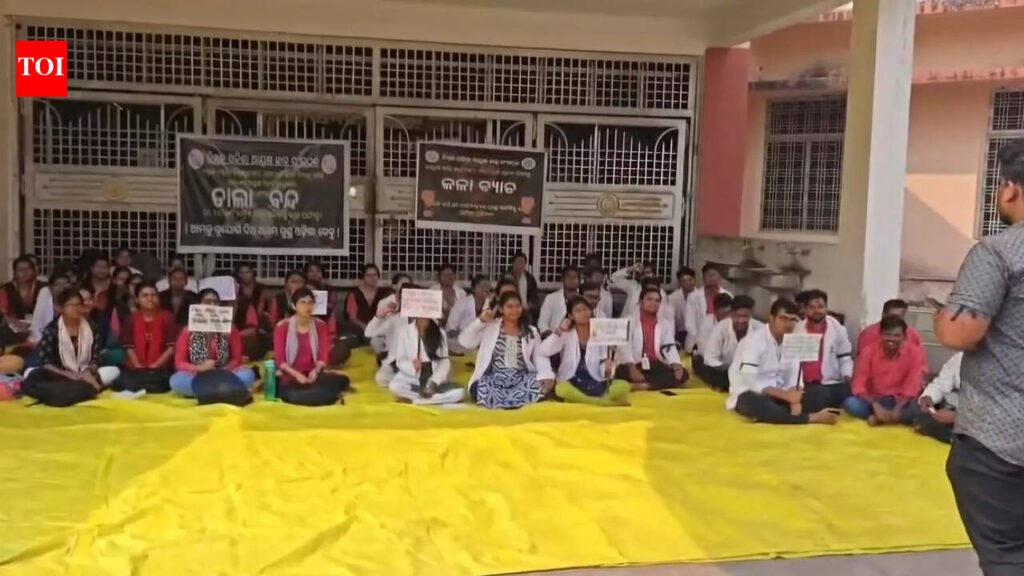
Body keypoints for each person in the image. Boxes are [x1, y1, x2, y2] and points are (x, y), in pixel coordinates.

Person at [935, 139, 1024, 576]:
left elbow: (959, 331)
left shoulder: (1000, 252)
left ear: (1011, 189)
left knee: (1008, 555)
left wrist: (942, 314)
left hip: (1003, 441)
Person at [727, 298, 838, 425]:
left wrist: (794, 399)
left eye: (792, 319)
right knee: (753, 402)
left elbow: (795, 375)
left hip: (783, 394)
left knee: (822, 392)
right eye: (783, 318)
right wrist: (787, 396)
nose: (788, 324)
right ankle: (809, 418)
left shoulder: (793, 339)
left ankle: (780, 415)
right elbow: (750, 380)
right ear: (771, 318)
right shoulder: (753, 341)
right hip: (754, 393)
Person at [21, 289, 121, 406]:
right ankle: (84, 387)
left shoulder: (92, 327)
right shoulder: (52, 330)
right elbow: (46, 362)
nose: (77, 308)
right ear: (61, 308)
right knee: (31, 374)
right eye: (72, 305)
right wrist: (68, 374)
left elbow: (96, 357)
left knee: (113, 371)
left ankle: (80, 387)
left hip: (85, 372)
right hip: (59, 374)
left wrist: (87, 371)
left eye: (79, 304)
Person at [459, 291, 553, 409]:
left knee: (539, 384)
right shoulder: (490, 327)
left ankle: (509, 403)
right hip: (494, 378)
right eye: (510, 307)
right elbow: (465, 341)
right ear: (501, 309)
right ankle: (512, 403)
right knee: (480, 387)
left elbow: (540, 356)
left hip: (521, 379)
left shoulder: (531, 331)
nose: (514, 310)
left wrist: (546, 375)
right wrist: (480, 321)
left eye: (517, 306)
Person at [539, 296, 630, 406]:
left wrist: (608, 369)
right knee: (561, 389)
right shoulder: (566, 333)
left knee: (624, 386)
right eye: (578, 311)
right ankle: (606, 403)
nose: (583, 313)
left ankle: (585, 400)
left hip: (593, 379)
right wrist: (559, 330)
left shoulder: (600, 332)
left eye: (585, 309)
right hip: (571, 379)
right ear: (571, 316)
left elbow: (603, 362)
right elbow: (544, 350)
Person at [169, 288, 256, 397]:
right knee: (176, 381)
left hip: (224, 374)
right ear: (199, 305)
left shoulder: (230, 328)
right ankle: (223, 391)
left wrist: (221, 371)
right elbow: (180, 363)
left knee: (248, 375)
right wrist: (200, 369)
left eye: (215, 302)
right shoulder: (188, 331)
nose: (212, 306)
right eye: (207, 302)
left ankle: (207, 392)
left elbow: (236, 359)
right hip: (197, 375)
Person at [273, 288, 351, 406]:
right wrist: (297, 375)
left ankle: (315, 395)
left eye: (310, 303)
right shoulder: (282, 327)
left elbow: (323, 356)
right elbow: (280, 361)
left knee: (342, 380)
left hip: (313, 374)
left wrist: (316, 370)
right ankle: (318, 396)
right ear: (294, 306)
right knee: (287, 390)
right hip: (290, 375)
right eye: (302, 302)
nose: (307, 306)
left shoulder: (320, 325)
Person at [843, 316, 924, 426]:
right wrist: (875, 405)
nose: (891, 339)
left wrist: (898, 408)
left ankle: (879, 418)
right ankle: (890, 418)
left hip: (900, 401)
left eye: (896, 336)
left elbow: (912, 387)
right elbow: (858, 386)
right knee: (850, 404)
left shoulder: (915, 353)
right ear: (881, 334)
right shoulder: (868, 351)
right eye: (888, 335)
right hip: (874, 399)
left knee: (919, 408)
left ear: (904, 337)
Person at [616, 287, 688, 391]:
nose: (653, 303)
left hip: (653, 364)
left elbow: (669, 346)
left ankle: (645, 385)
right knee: (620, 372)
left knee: (683, 374)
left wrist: (676, 364)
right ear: (641, 302)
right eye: (649, 299)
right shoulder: (627, 321)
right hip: (632, 364)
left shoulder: (664, 324)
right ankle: (654, 384)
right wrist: (632, 368)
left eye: (657, 300)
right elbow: (624, 348)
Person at [387, 314, 464, 406]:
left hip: (434, 377)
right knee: (394, 386)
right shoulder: (404, 332)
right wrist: (412, 366)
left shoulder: (440, 333)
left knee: (459, 393)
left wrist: (433, 383)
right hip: (414, 378)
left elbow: (444, 362)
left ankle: (419, 401)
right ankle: (430, 399)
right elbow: (400, 361)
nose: (424, 318)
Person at [795, 289, 854, 409]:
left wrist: (847, 376)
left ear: (826, 308)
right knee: (820, 394)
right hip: (805, 384)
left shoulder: (838, 329)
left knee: (847, 393)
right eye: (812, 307)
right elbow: (792, 363)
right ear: (805, 309)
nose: (817, 311)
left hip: (831, 382)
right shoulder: (797, 330)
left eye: (820, 307)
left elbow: (845, 358)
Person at [117, 283, 176, 393]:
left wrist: (155, 366)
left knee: (165, 382)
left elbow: (171, 348)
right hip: (135, 369)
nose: (150, 299)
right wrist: (138, 366)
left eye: (153, 295)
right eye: (145, 295)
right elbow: (129, 348)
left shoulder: (168, 317)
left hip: (161, 369)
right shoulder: (131, 319)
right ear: (137, 299)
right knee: (124, 381)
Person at [697, 295, 760, 392]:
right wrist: (731, 369)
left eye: (745, 316)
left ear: (751, 315)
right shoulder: (721, 327)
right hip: (724, 371)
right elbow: (710, 357)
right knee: (705, 368)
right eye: (737, 316)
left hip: (749, 373)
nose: (741, 320)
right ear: (731, 314)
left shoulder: (760, 329)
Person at [366, 282, 416, 385]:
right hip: (396, 362)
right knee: (382, 378)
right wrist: (379, 316)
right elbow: (369, 333)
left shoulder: (427, 320)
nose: (409, 302)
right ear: (399, 299)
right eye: (405, 298)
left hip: (419, 363)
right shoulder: (394, 318)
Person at [684, 263, 731, 354]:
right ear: (703, 278)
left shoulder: (728, 295)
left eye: (714, 275)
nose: (711, 278)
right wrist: (701, 340)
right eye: (708, 275)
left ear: (720, 277)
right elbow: (689, 324)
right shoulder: (693, 296)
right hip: (697, 341)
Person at [914, 352, 961, 444]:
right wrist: (928, 397)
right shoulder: (959, 358)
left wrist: (957, 417)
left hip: (975, 417)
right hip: (949, 408)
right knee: (919, 414)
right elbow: (941, 384)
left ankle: (957, 438)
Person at [857, 299, 924, 355]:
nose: (895, 320)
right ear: (883, 315)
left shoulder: (913, 334)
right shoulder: (869, 334)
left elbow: (919, 359)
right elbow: (863, 359)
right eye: (893, 316)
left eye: (900, 317)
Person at [29, 264, 73, 346]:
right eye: (58, 284)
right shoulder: (44, 293)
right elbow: (37, 324)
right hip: (44, 341)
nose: (62, 287)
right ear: (50, 287)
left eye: (65, 284)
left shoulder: (74, 299)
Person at [447, 275, 491, 355]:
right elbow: (451, 327)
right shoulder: (462, 303)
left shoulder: (491, 304)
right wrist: (461, 334)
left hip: (483, 344)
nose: (485, 289)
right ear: (474, 289)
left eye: (487, 286)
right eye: (482, 286)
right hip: (462, 344)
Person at [343, 263, 386, 345]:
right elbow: (352, 318)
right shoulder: (354, 294)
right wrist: (364, 326)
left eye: (375, 275)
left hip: (381, 328)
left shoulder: (384, 293)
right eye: (369, 275)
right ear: (363, 277)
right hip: (359, 329)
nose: (372, 278)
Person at [0, 256, 43, 332]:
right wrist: (16, 323)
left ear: (34, 271)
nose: (24, 272)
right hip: (12, 328)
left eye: (28, 269)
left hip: (40, 327)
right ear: (15, 273)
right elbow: (2, 314)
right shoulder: (7, 289)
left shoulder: (43, 288)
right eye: (20, 270)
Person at [538, 265, 581, 336]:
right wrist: (550, 336)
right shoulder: (551, 298)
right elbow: (542, 322)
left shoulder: (583, 299)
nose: (572, 280)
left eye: (575, 277)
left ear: (579, 280)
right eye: (569, 277)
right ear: (562, 279)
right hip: (554, 337)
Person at [692, 293, 732, 360]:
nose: (726, 317)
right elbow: (702, 348)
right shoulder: (706, 322)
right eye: (724, 314)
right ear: (715, 312)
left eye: (728, 313)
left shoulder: (735, 322)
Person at [160, 267, 200, 331]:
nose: (178, 281)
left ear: (186, 281)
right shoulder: (161, 296)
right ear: (169, 281)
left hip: (186, 331)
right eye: (175, 279)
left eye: (181, 279)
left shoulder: (193, 297)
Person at [668, 267, 697, 346]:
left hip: (697, 334)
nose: (689, 283)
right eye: (684, 281)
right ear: (680, 283)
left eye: (690, 279)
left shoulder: (701, 296)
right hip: (679, 333)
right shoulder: (672, 298)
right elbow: (670, 319)